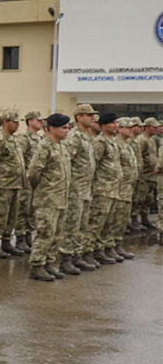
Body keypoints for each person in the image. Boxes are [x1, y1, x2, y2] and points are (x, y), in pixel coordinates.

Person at [26, 113, 72, 281]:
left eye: (68, 128)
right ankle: (36, 265)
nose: (67, 131)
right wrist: (40, 187)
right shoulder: (45, 146)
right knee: (45, 233)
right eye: (63, 128)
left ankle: (49, 263)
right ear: (52, 128)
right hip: (47, 198)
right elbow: (33, 172)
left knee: (56, 234)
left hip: (61, 198)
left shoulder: (62, 146)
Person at [58, 103, 99, 274]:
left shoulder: (86, 136)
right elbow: (67, 162)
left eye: (92, 115)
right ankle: (65, 258)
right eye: (88, 115)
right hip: (75, 189)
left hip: (85, 188)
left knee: (82, 225)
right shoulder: (74, 136)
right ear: (79, 117)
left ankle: (77, 255)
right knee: (72, 225)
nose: (92, 118)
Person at [84, 112, 123, 265]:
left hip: (113, 189)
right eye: (113, 123)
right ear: (104, 125)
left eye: (116, 123)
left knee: (108, 223)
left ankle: (100, 249)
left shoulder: (112, 142)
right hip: (102, 190)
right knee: (96, 223)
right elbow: (94, 166)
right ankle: (88, 251)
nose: (116, 126)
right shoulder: (100, 142)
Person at [0, 111, 26, 257]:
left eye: (18, 122)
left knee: (12, 215)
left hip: (16, 184)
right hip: (2, 184)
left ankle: (6, 241)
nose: (17, 124)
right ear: (5, 122)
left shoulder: (14, 139)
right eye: (14, 122)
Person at [110, 118, 139, 257]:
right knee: (115, 219)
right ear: (119, 129)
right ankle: (109, 246)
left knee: (122, 219)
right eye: (127, 128)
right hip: (119, 188)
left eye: (131, 127)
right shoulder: (116, 144)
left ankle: (117, 245)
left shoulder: (127, 144)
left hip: (128, 188)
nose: (131, 130)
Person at [15, 111, 43, 251]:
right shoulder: (24, 138)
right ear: (30, 121)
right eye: (38, 120)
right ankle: (20, 237)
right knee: (23, 209)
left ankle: (28, 235)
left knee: (32, 210)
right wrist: (25, 179)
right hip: (26, 180)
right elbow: (19, 160)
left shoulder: (39, 139)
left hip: (36, 181)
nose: (41, 122)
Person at [136, 117, 160, 230]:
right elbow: (138, 156)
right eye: (153, 127)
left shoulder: (152, 140)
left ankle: (145, 219)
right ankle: (135, 221)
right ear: (147, 127)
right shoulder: (142, 140)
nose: (156, 129)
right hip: (144, 175)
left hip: (151, 175)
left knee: (148, 200)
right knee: (139, 199)